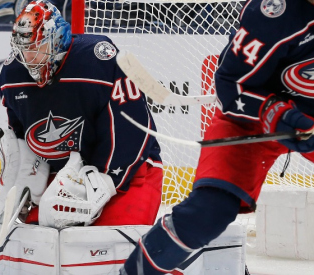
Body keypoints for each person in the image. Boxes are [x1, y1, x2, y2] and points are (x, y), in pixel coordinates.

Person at [121, 0, 314, 273]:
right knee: (206, 214)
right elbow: (229, 85)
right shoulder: (274, 13)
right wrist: (275, 116)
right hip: (254, 117)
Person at [0, 0, 163, 229]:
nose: (29, 58)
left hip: (128, 175)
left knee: (108, 246)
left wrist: (107, 181)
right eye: (24, 49)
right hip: (63, 179)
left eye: (37, 48)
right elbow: (22, 134)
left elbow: (134, 128)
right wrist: (27, 178)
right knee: (39, 244)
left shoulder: (99, 61)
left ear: (57, 38)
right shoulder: (12, 75)